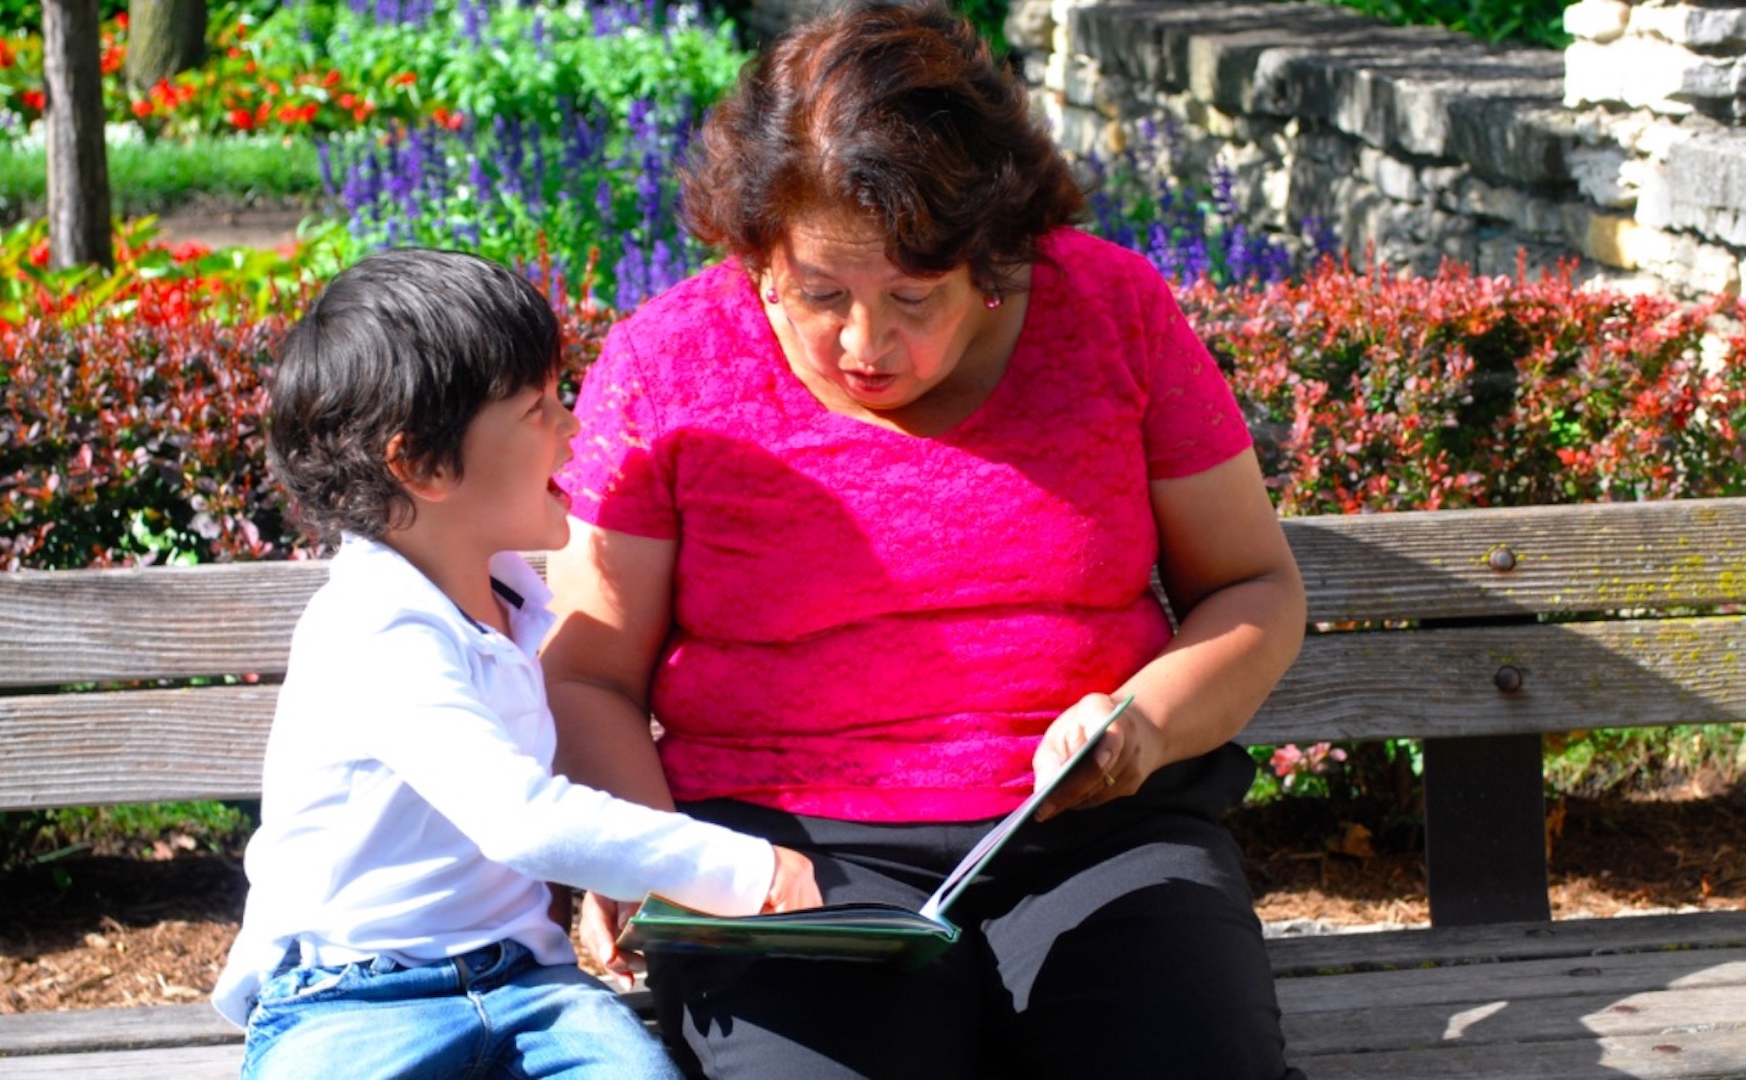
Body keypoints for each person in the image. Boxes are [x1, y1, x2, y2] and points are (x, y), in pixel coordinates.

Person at [540, 4, 1309, 1078]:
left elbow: (1253, 587)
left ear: (994, 256)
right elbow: (586, 673)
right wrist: (654, 858)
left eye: (913, 295)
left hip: (1095, 832)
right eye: (819, 295)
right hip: (777, 862)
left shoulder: (1110, 310)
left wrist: (1147, 720)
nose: (865, 343)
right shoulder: (671, 362)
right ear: (757, 253)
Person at [210, 248, 821, 1079]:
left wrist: (609, 880)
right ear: (422, 464)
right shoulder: (378, 624)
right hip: (353, 1001)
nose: (571, 426)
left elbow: (535, 819)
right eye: (537, 408)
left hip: (531, 988)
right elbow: (521, 817)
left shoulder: (514, 608)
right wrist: (743, 868)